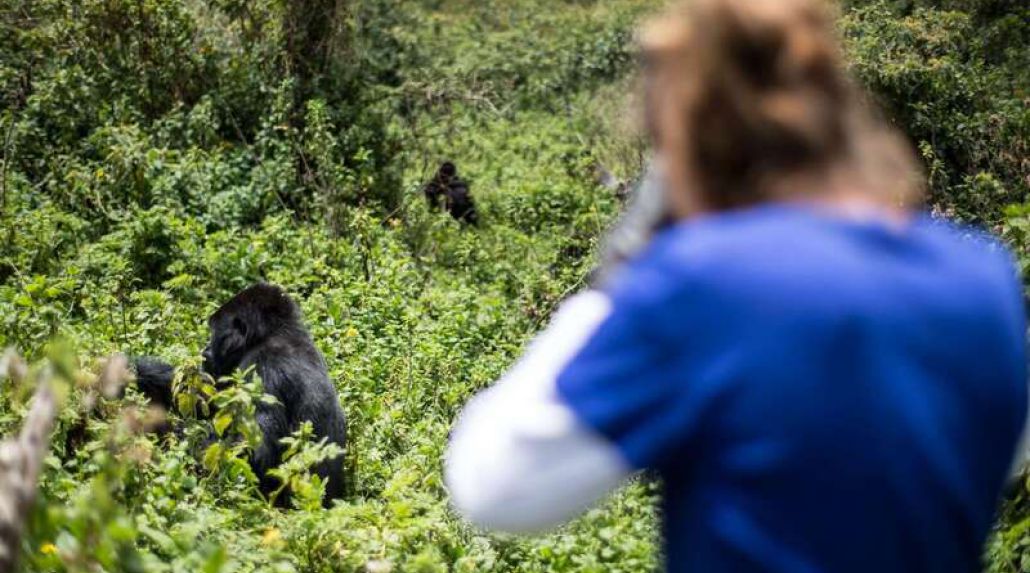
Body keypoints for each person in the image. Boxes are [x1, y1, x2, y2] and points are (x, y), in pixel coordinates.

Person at [444, 0, 1029, 572]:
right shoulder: (984, 279)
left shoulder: (703, 282)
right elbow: (1006, 453)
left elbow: (493, 483)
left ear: (696, 138)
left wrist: (621, 270)